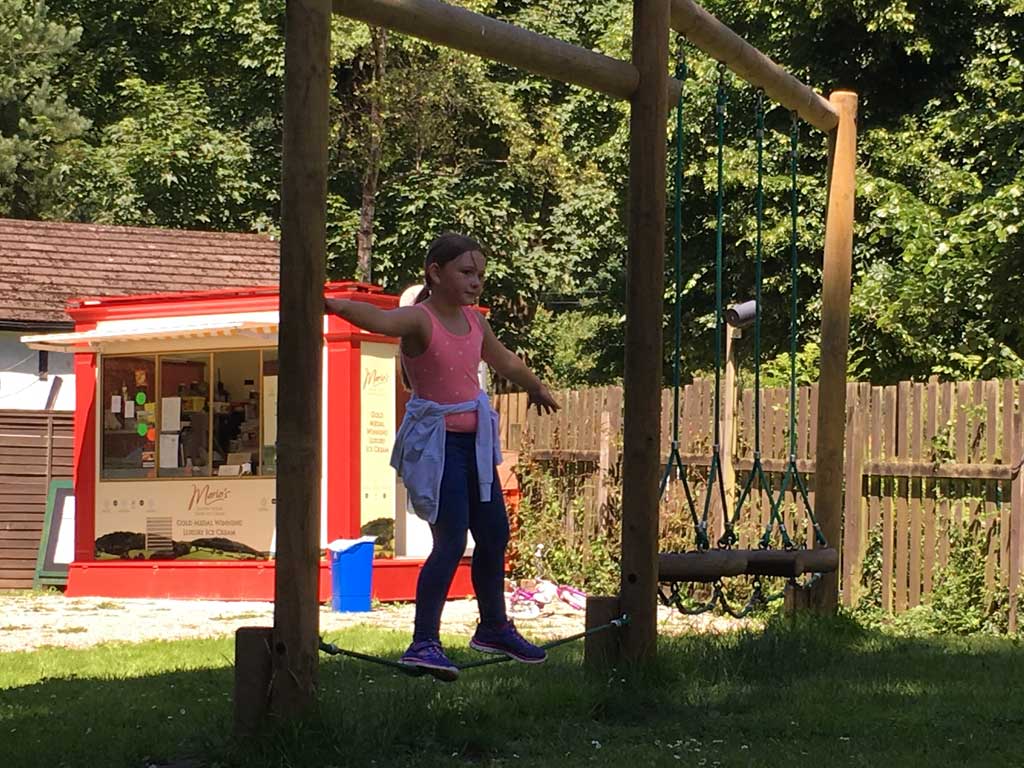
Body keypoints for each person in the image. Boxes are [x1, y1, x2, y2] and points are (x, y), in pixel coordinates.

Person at [324, 232, 559, 682]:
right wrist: (332, 304)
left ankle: (493, 627)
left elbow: (505, 360)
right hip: (439, 448)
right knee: (450, 541)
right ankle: (424, 641)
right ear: (435, 273)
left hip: (475, 447)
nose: (476, 282)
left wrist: (535, 386)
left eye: (480, 274)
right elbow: (378, 319)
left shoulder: (475, 323)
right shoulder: (421, 319)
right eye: (466, 272)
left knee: (494, 535)